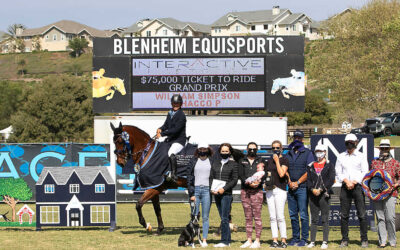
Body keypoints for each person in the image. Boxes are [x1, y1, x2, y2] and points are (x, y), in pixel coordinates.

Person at [335, 133, 369, 248]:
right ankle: (344, 239)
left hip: (358, 187)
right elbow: (338, 172)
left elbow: (365, 171)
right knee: (344, 215)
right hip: (345, 187)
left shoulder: (361, 156)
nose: (349, 144)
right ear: (345, 143)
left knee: (362, 214)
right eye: (347, 142)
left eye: (352, 141)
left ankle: (364, 239)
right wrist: (346, 181)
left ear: (356, 142)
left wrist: (354, 182)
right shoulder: (340, 156)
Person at [286, 130, 314, 247]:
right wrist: (289, 182)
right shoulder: (288, 153)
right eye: (295, 137)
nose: (297, 139)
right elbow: (285, 169)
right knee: (293, 215)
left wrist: (297, 182)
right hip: (290, 188)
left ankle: (304, 238)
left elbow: (309, 171)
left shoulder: (307, 153)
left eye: (299, 138)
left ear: (302, 139)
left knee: (303, 214)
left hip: (302, 187)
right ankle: (295, 237)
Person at [370, 139, 400, 248]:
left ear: (389, 149)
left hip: (391, 194)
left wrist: (396, 184)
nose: (383, 150)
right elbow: (370, 177)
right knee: (380, 217)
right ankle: (382, 241)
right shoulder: (374, 163)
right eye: (382, 148)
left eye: (385, 148)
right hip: (377, 195)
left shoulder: (396, 163)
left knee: (390, 217)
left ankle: (392, 241)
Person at [210, 143, 239, 248]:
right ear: (220, 152)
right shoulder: (215, 163)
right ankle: (228, 239)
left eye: (226, 151)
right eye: (223, 151)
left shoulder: (234, 164)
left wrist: (224, 188)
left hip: (226, 194)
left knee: (224, 218)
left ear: (230, 152)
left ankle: (225, 241)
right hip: (216, 193)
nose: (224, 153)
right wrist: (211, 189)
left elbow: (234, 180)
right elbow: (211, 177)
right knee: (223, 217)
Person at [307, 144, 335, 249]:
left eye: (321, 151)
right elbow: (308, 180)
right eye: (317, 151)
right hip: (313, 195)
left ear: (325, 152)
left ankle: (324, 241)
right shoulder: (311, 165)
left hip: (324, 194)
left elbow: (331, 179)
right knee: (313, 219)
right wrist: (312, 189)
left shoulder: (329, 165)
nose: (319, 153)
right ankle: (312, 241)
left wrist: (321, 189)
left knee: (324, 219)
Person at [187, 142, 214, 247]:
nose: (203, 150)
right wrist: (191, 193)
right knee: (194, 217)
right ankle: (192, 240)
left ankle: (204, 239)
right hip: (196, 191)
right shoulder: (193, 161)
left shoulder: (211, 161)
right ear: (198, 150)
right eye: (201, 149)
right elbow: (189, 177)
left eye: (204, 149)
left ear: (208, 149)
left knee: (205, 217)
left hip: (207, 190)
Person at [238, 142, 264, 248]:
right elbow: (241, 175)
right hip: (245, 191)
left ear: (257, 149)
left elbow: (264, 174)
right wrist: (249, 183)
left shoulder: (261, 160)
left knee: (257, 217)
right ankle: (249, 240)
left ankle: (257, 240)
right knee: (248, 217)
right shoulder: (242, 160)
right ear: (247, 149)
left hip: (257, 191)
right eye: (250, 149)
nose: (252, 150)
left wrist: (257, 183)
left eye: (254, 149)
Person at [265, 140, 290, 249]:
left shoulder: (284, 159)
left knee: (280, 216)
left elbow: (281, 173)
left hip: (280, 189)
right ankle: (275, 240)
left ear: (281, 149)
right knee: (272, 217)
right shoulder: (269, 161)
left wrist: (277, 161)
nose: (275, 150)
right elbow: (268, 174)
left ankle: (283, 240)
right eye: (273, 148)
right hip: (270, 190)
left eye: (277, 148)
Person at [156, 94, 186, 181]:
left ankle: (174, 174)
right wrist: (160, 129)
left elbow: (176, 130)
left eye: (177, 103)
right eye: (174, 103)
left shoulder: (181, 115)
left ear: (181, 104)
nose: (175, 105)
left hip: (179, 140)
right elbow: (166, 125)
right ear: (171, 104)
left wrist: (162, 134)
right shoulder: (170, 113)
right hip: (171, 139)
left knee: (171, 153)